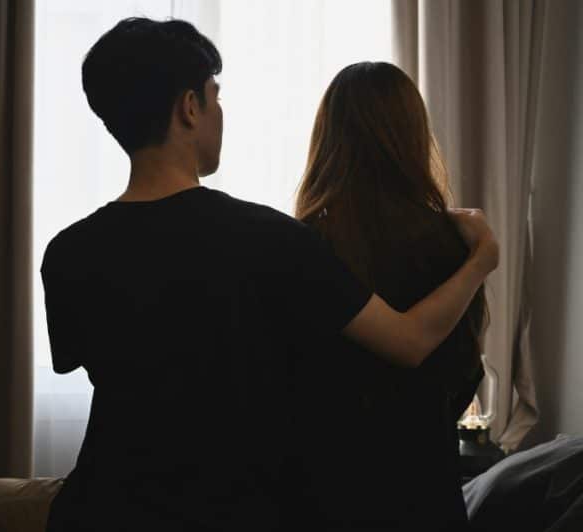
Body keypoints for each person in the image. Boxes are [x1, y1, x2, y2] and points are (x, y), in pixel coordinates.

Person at [40, 18, 498, 532]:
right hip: (228, 511)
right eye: (215, 97)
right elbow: (409, 342)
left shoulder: (67, 252)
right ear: (189, 108)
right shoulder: (270, 240)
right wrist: (480, 258)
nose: (219, 112)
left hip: (96, 509)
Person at [287, 61, 489, 532]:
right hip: (423, 489)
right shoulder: (455, 244)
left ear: (329, 140)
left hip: (324, 492)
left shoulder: (302, 243)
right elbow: (465, 369)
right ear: (413, 136)